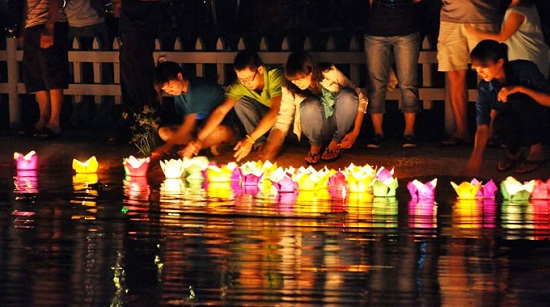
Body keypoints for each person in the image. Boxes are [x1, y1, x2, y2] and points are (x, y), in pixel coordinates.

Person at [258, 51, 368, 165]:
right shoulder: (289, 88)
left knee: (348, 95)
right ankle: (315, 146)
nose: (297, 83)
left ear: (310, 73)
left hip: (339, 123)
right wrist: (270, 146)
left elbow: (360, 95)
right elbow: (284, 117)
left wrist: (355, 132)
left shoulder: (329, 73)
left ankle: (336, 142)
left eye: (300, 79)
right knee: (309, 104)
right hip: (317, 128)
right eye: (293, 80)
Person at [181, 50, 284, 162]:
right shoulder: (239, 86)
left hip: (288, 118)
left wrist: (249, 139)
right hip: (266, 117)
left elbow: (276, 111)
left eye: (248, 79)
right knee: (240, 101)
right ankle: (261, 144)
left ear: (260, 70)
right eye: (241, 80)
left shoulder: (274, 76)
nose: (245, 84)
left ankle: (274, 142)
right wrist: (199, 139)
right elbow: (221, 111)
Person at [467, 40, 549, 175]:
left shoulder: (525, 69)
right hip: (517, 126)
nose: (480, 72)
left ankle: (536, 151)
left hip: (542, 122)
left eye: (483, 67)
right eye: (477, 68)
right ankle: (515, 153)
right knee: (500, 121)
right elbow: (482, 125)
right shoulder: (486, 88)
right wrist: (476, 156)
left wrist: (520, 89)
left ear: (500, 62)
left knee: (519, 100)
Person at [437, 0, 503, 146]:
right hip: (450, 18)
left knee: (489, 75)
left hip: (483, 16)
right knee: (454, 75)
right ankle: (461, 131)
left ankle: (490, 132)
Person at [150, 61, 238, 159]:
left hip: (220, 127)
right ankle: (201, 147)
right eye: (166, 90)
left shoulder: (197, 89)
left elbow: (188, 124)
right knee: (164, 132)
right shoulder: (179, 93)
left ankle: (192, 148)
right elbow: (189, 126)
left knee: (221, 132)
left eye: (171, 87)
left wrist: (165, 147)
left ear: (179, 76)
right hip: (199, 130)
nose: (170, 92)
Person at [365, 0, 421, 148]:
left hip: (406, 28)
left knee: (408, 82)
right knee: (376, 84)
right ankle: (378, 132)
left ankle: (409, 132)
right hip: (376, 29)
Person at [21, 0, 70, 139]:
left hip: (50, 23)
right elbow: (27, 5)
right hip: (32, 24)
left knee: (52, 71)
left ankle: (55, 121)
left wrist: (50, 25)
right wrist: (24, 29)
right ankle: (43, 117)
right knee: (36, 74)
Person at [464, 0, 549, 79]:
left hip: (527, 55)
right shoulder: (528, 7)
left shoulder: (516, 12)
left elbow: (502, 37)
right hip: (533, 53)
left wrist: (475, 33)